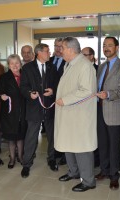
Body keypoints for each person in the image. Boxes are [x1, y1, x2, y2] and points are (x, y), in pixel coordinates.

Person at [55, 37, 97, 192]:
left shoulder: (85, 66)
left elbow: (87, 91)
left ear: (71, 50)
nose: (61, 51)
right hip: (69, 113)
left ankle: (88, 181)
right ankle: (74, 172)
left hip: (79, 115)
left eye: (63, 48)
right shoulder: (70, 64)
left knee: (82, 148)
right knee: (69, 144)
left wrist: (64, 100)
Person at [96, 36, 120, 190]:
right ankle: (104, 170)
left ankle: (114, 175)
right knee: (102, 143)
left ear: (117, 48)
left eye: (110, 45)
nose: (106, 48)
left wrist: (109, 94)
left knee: (114, 145)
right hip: (99, 110)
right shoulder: (101, 66)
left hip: (115, 111)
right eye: (104, 45)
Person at [20, 43, 58, 178]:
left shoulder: (52, 67)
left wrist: (53, 91)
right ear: (39, 53)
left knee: (52, 136)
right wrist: (29, 93)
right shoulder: (27, 68)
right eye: (47, 51)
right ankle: (26, 164)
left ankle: (52, 159)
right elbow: (23, 87)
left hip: (49, 108)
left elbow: (57, 84)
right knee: (31, 137)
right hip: (34, 108)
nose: (50, 53)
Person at [0, 54, 27, 169]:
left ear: (20, 63)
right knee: (11, 138)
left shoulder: (25, 75)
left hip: (23, 111)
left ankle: (20, 157)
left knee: (21, 136)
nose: (15, 65)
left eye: (17, 63)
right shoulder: (4, 77)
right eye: (12, 63)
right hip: (10, 113)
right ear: (8, 65)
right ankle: (12, 158)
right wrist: (2, 96)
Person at [49, 37, 67, 165]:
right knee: (52, 129)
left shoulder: (69, 62)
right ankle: (53, 153)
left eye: (61, 46)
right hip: (48, 103)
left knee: (64, 128)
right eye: (56, 46)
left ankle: (65, 155)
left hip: (63, 101)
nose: (58, 49)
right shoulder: (48, 61)